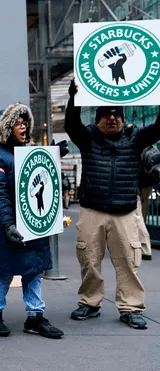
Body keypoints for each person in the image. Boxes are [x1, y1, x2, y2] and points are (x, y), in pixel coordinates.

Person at [66, 79, 160, 329]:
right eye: (105, 115)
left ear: (122, 118)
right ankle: (89, 302)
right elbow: (70, 124)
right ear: (97, 119)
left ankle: (130, 307)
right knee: (89, 259)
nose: (111, 119)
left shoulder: (136, 138)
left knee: (129, 261)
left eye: (116, 115)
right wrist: (74, 97)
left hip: (125, 212)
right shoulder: (87, 138)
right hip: (92, 209)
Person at [0, 104, 65, 339]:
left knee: (32, 270)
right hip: (3, 227)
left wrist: (54, 156)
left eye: (24, 122)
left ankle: (35, 317)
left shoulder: (25, 154)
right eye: (17, 123)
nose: (24, 126)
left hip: (30, 226)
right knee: (3, 272)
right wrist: (8, 224)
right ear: (5, 129)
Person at [137, 144, 160, 261]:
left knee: (138, 216)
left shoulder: (137, 147)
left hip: (140, 184)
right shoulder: (151, 148)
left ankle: (142, 246)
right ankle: (141, 245)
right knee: (141, 215)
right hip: (147, 184)